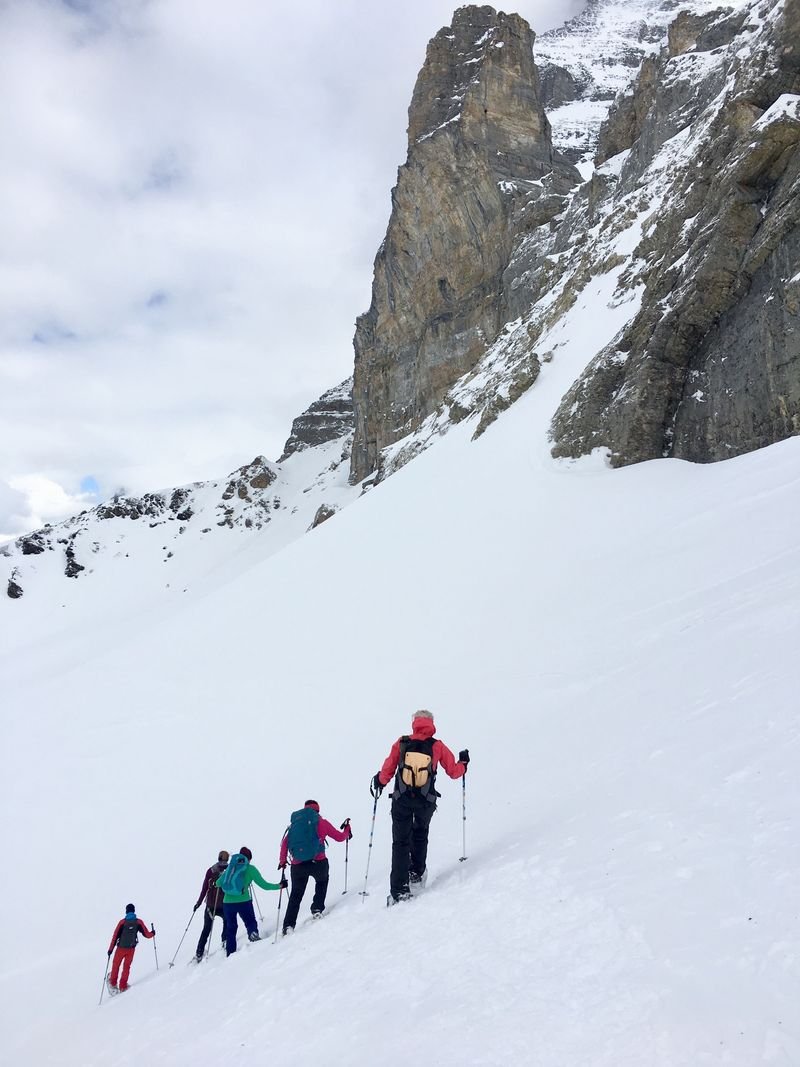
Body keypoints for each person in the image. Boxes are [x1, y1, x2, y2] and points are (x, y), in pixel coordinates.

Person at [371, 709, 469, 903]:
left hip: (402, 799)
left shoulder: (401, 742)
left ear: (414, 722)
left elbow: (388, 769)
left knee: (400, 843)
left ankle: (399, 890)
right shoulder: (437, 746)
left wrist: (379, 781)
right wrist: (464, 763)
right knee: (420, 833)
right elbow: (454, 772)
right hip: (425, 801)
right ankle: (416, 873)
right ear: (432, 724)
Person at [279, 800, 352, 935]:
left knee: (296, 895)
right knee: (322, 881)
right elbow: (340, 837)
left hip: (297, 866)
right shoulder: (321, 822)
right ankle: (317, 908)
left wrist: (282, 861)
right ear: (317, 810)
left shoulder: (295, 826)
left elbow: (284, 844)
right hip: (317, 863)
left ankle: (288, 926)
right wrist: (347, 830)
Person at [216, 846, 286, 956]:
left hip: (228, 903)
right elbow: (265, 885)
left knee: (231, 927)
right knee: (250, 922)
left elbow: (218, 883)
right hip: (244, 901)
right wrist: (280, 886)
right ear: (249, 859)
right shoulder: (250, 869)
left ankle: (230, 953)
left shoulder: (231, 867)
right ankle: (253, 936)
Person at [107, 903, 155, 992]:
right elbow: (147, 934)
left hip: (121, 948)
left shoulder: (122, 922)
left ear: (126, 911)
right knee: (126, 967)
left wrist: (110, 949)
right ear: (134, 911)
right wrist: (153, 933)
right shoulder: (138, 922)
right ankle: (123, 986)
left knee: (116, 965)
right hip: (131, 949)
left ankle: (113, 983)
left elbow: (115, 936)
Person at [193, 849, 230, 961]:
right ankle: (224, 941)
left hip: (210, 905)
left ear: (218, 858)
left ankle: (199, 952)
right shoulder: (230, 870)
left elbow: (204, 888)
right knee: (227, 923)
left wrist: (198, 903)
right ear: (227, 859)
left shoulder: (211, 870)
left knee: (206, 929)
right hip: (224, 904)